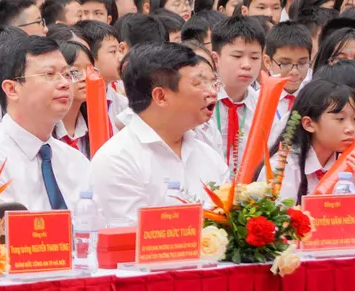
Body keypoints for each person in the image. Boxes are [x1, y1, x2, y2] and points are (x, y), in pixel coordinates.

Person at [90, 43, 228, 226]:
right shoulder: (118, 159)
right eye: (198, 83)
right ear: (161, 97)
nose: (211, 92)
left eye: (212, 82)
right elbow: (131, 241)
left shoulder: (208, 155)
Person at [0, 34, 92, 211]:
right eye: (50, 74)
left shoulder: (75, 161)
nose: (65, 83)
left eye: (67, 74)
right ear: (12, 89)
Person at [265, 79, 355, 204]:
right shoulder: (283, 166)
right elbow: (279, 220)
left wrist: (352, 179)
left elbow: (348, 218)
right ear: (309, 124)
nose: (351, 129)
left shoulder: (349, 163)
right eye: (340, 119)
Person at [209, 16, 265, 166]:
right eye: (237, 56)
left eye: (254, 57)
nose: (247, 65)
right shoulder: (202, 101)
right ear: (216, 59)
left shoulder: (262, 105)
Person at [264, 21, 314, 142]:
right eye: (285, 63)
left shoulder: (314, 99)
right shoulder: (258, 100)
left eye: (302, 63)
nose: (295, 71)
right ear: (268, 62)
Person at [55, 40, 101, 156]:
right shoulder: (44, 129)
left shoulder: (98, 122)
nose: (85, 77)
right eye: (74, 71)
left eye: (90, 70)